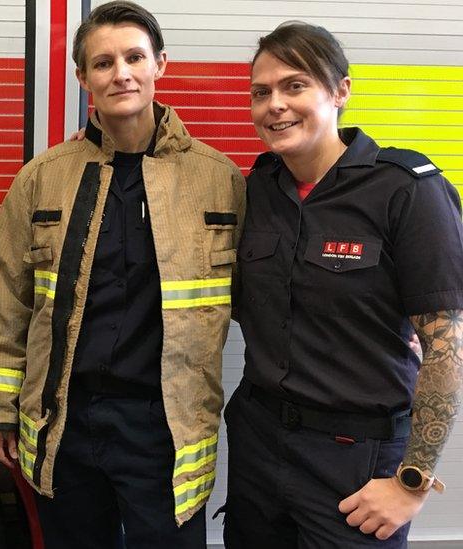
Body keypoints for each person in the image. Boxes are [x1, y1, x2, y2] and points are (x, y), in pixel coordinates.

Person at [0, 2, 245, 547]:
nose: (120, 73)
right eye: (103, 63)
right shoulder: (42, 179)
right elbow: (8, 301)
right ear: (83, 77)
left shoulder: (219, 181)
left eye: (134, 57)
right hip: (64, 423)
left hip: (165, 430)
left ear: (159, 64)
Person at [224, 21, 463, 548]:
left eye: (295, 85)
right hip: (258, 445)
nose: (275, 105)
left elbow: (447, 348)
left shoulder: (407, 191)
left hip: (355, 458)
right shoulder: (258, 187)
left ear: (340, 91)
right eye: (261, 92)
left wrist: (412, 482)